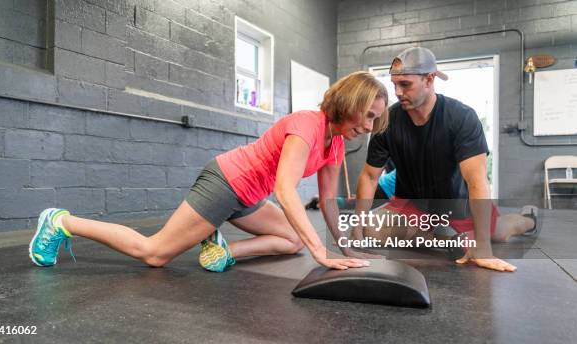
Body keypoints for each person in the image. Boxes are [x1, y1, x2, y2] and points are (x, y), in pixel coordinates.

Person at [29, 71, 390, 272]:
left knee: (295, 239)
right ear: (350, 103)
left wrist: (345, 248)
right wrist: (321, 253)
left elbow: (327, 201)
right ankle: (61, 222)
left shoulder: (337, 142)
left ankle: (223, 250)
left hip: (249, 197)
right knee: (155, 254)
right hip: (226, 181)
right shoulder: (306, 125)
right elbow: (285, 190)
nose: (372, 126)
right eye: (369, 115)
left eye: (377, 119)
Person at [351, 47, 538, 273]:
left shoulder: (461, 118)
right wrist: (357, 230)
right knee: (372, 230)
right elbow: (370, 177)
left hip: (458, 205)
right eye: (394, 85)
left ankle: (528, 218)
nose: (398, 92)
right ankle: (444, 235)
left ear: (429, 80)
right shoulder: (388, 122)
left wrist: (483, 246)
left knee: (497, 233)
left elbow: (477, 181)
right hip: (413, 205)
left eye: (406, 85)